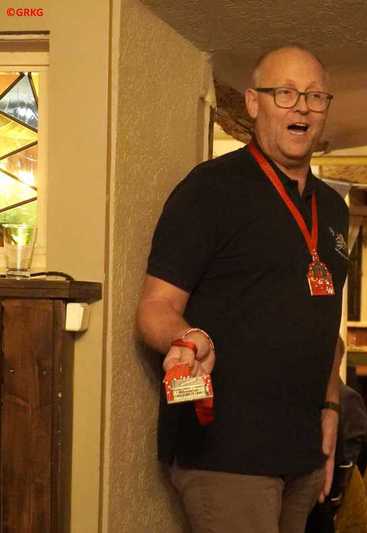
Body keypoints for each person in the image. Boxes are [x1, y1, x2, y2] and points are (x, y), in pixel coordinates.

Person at [136, 45, 349, 533]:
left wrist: (331, 406)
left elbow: (324, 327)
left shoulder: (333, 208)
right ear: (253, 103)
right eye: (285, 93)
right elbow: (154, 307)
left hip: (302, 450)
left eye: (315, 96)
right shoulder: (210, 190)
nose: (301, 107)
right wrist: (189, 339)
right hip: (226, 451)